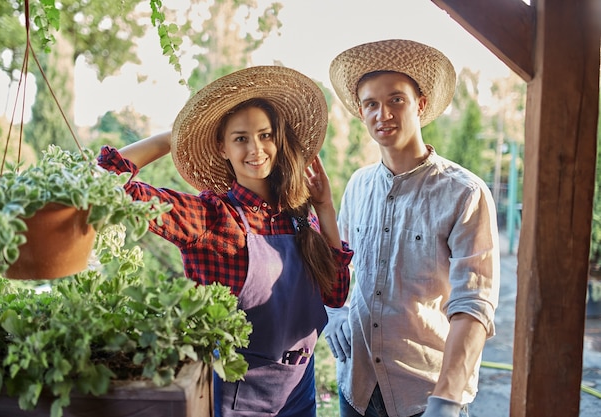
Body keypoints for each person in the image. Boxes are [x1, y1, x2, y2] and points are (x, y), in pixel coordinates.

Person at [97, 66, 353, 417]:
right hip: (237, 395)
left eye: (265, 135)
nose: (256, 149)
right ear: (222, 147)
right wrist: (174, 137)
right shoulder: (210, 217)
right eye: (240, 138)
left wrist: (325, 209)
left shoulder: (297, 215)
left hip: (298, 392)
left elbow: (336, 295)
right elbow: (108, 183)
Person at [323, 39, 500, 417]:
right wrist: (333, 309)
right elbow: (337, 260)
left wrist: (448, 398)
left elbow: (474, 303)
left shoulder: (465, 193)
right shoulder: (358, 185)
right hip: (356, 387)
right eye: (371, 103)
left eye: (396, 100)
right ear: (360, 111)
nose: (382, 113)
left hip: (425, 393)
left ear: (420, 104)